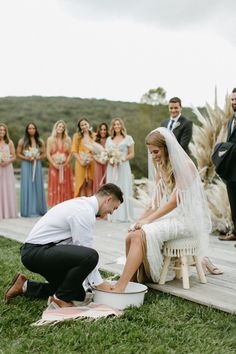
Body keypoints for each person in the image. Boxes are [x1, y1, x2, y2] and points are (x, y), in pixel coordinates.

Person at [109, 128, 212, 292]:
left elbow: (174, 202)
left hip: (186, 220)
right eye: (150, 153)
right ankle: (133, 280)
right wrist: (138, 221)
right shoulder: (161, 168)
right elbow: (154, 204)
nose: (153, 156)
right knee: (131, 235)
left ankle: (122, 285)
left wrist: (148, 221)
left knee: (140, 236)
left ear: (166, 148)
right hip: (172, 217)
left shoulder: (185, 167)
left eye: (156, 151)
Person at [4, 183, 123, 307]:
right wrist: (99, 284)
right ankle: (60, 299)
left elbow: (74, 249)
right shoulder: (84, 211)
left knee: (78, 294)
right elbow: (85, 251)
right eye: (114, 208)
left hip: (43, 250)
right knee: (91, 256)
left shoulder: (83, 205)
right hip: (36, 252)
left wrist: (87, 283)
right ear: (108, 200)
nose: (111, 212)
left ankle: (25, 286)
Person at [105, 117, 134, 222]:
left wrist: (121, 159)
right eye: (115, 124)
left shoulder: (128, 138)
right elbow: (106, 153)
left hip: (124, 167)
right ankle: (113, 214)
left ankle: (125, 215)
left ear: (122, 126)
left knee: (124, 188)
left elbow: (132, 154)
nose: (117, 126)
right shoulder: (109, 139)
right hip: (112, 168)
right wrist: (111, 159)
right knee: (112, 189)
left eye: (119, 124)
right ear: (112, 126)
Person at [17, 122, 47, 217]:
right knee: (27, 185)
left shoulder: (40, 141)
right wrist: (28, 158)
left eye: (33, 128)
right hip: (26, 164)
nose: (31, 130)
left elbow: (44, 154)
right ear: (27, 130)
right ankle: (27, 210)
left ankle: (39, 209)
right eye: (29, 128)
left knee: (37, 185)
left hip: (36, 164)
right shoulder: (22, 141)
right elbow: (18, 153)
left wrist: (36, 158)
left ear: (36, 129)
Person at [218, 88, 236, 242]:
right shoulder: (231, 120)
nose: (234, 102)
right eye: (232, 99)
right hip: (231, 168)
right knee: (233, 202)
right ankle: (235, 232)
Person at [47, 120, 74, 207]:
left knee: (65, 186)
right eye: (59, 126)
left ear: (64, 129)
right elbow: (48, 153)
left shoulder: (68, 139)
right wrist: (54, 164)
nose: (61, 128)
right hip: (54, 167)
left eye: (63, 127)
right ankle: (55, 206)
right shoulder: (50, 140)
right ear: (56, 127)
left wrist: (66, 163)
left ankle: (65, 206)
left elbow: (71, 153)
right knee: (55, 185)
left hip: (65, 167)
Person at [72, 117, 95, 197]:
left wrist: (90, 159)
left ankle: (90, 206)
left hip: (91, 163)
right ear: (80, 127)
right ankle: (82, 206)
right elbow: (74, 151)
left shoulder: (94, 136)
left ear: (89, 124)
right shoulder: (76, 136)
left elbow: (96, 150)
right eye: (82, 125)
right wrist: (81, 161)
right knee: (81, 185)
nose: (84, 126)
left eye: (85, 124)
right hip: (80, 163)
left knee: (90, 185)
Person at [0, 123, 18, 220]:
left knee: (7, 188)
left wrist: (7, 162)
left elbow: (14, 156)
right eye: (0, 130)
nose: (2, 132)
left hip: (7, 168)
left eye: (4, 130)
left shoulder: (9, 142)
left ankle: (8, 212)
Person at [93, 122, 109, 194]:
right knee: (99, 182)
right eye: (101, 129)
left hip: (108, 164)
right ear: (99, 131)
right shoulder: (95, 141)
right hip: (98, 164)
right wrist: (100, 161)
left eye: (105, 129)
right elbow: (93, 154)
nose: (103, 131)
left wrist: (106, 159)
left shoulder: (110, 140)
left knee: (108, 181)